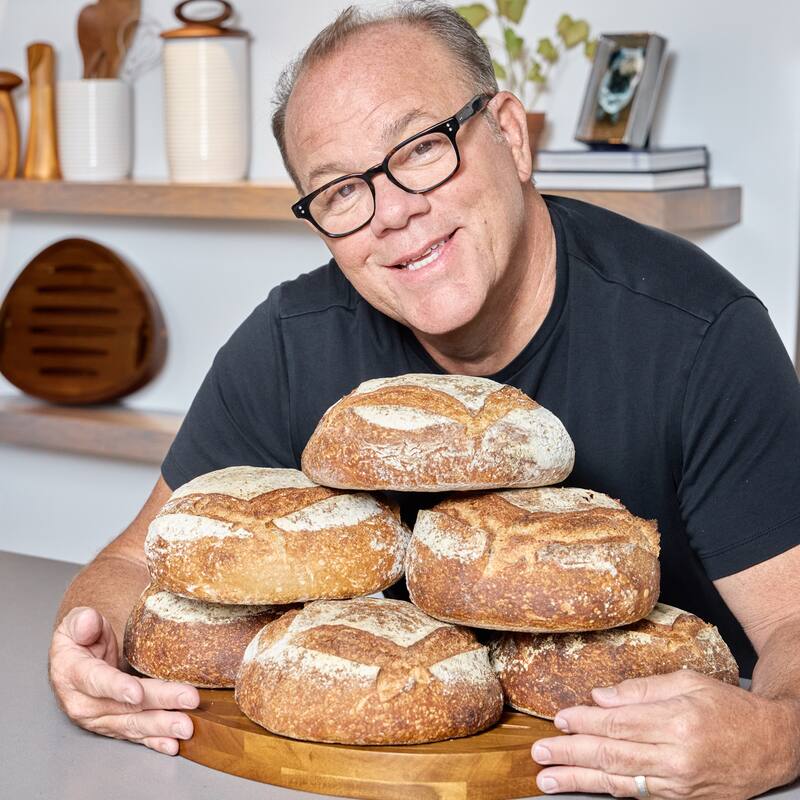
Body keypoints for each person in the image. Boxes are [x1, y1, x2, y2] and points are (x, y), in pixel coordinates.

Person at [48, 2, 800, 797]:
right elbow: (134, 561)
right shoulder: (290, 342)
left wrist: (780, 736)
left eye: (420, 148)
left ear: (510, 135)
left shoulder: (698, 335)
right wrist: (86, 646)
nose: (395, 213)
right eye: (341, 191)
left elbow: (792, 625)